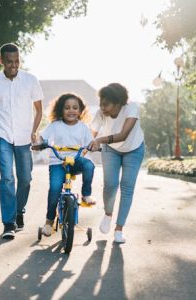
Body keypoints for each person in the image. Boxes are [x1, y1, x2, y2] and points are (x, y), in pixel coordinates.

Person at [0, 43, 43, 240]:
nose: (13, 65)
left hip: (24, 137)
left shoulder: (30, 80)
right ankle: (8, 223)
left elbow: (39, 109)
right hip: (2, 136)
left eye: (17, 61)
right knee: (7, 178)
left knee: (25, 179)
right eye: (9, 62)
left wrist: (34, 131)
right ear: (1, 61)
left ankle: (19, 212)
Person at [89, 83, 145, 244]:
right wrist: (85, 148)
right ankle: (108, 214)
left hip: (133, 149)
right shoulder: (101, 113)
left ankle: (119, 229)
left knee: (127, 187)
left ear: (118, 102)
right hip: (111, 150)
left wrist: (99, 140)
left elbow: (123, 135)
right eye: (101, 103)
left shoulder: (131, 109)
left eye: (106, 104)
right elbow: (91, 133)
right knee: (110, 184)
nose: (102, 107)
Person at [38, 93, 96, 236]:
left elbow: (90, 143)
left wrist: (93, 146)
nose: (71, 111)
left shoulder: (83, 127)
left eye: (75, 108)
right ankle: (49, 222)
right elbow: (42, 137)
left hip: (75, 161)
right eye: (67, 108)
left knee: (89, 165)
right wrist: (39, 143)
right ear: (60, 110)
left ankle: (86, 195)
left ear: (80, 111)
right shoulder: (55, 126)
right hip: (58, 162)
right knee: (55, 188)